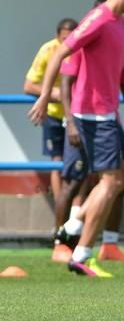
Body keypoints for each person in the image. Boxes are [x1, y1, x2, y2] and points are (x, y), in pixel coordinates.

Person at [28, 0, 124, 277]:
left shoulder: (119, 22)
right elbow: (61, 54)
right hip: (93, 116)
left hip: (109, 114)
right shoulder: (98, 19)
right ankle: (82, 254)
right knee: (109, 182)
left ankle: (74, 223)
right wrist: (45, 96)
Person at [53, 0, 124, 264]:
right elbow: (66, 81)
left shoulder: (122, 44)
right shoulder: (86, 39)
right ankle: (68, 247)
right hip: (84, 120)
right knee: (76, 182)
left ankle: (79, 228)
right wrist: (69, 121)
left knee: (123, 176)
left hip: (109, 119)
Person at [24, 18, 79, 204]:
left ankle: (75, 214)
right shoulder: (48, 50)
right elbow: (29, 86)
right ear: (57, 37)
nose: (67, 44)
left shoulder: (82, 48)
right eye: (64, 39)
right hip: (54, 114)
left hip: (78, 114)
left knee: (80, 164)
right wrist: (52, 93)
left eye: (71, 39)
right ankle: (60, 210)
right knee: (57, 161)